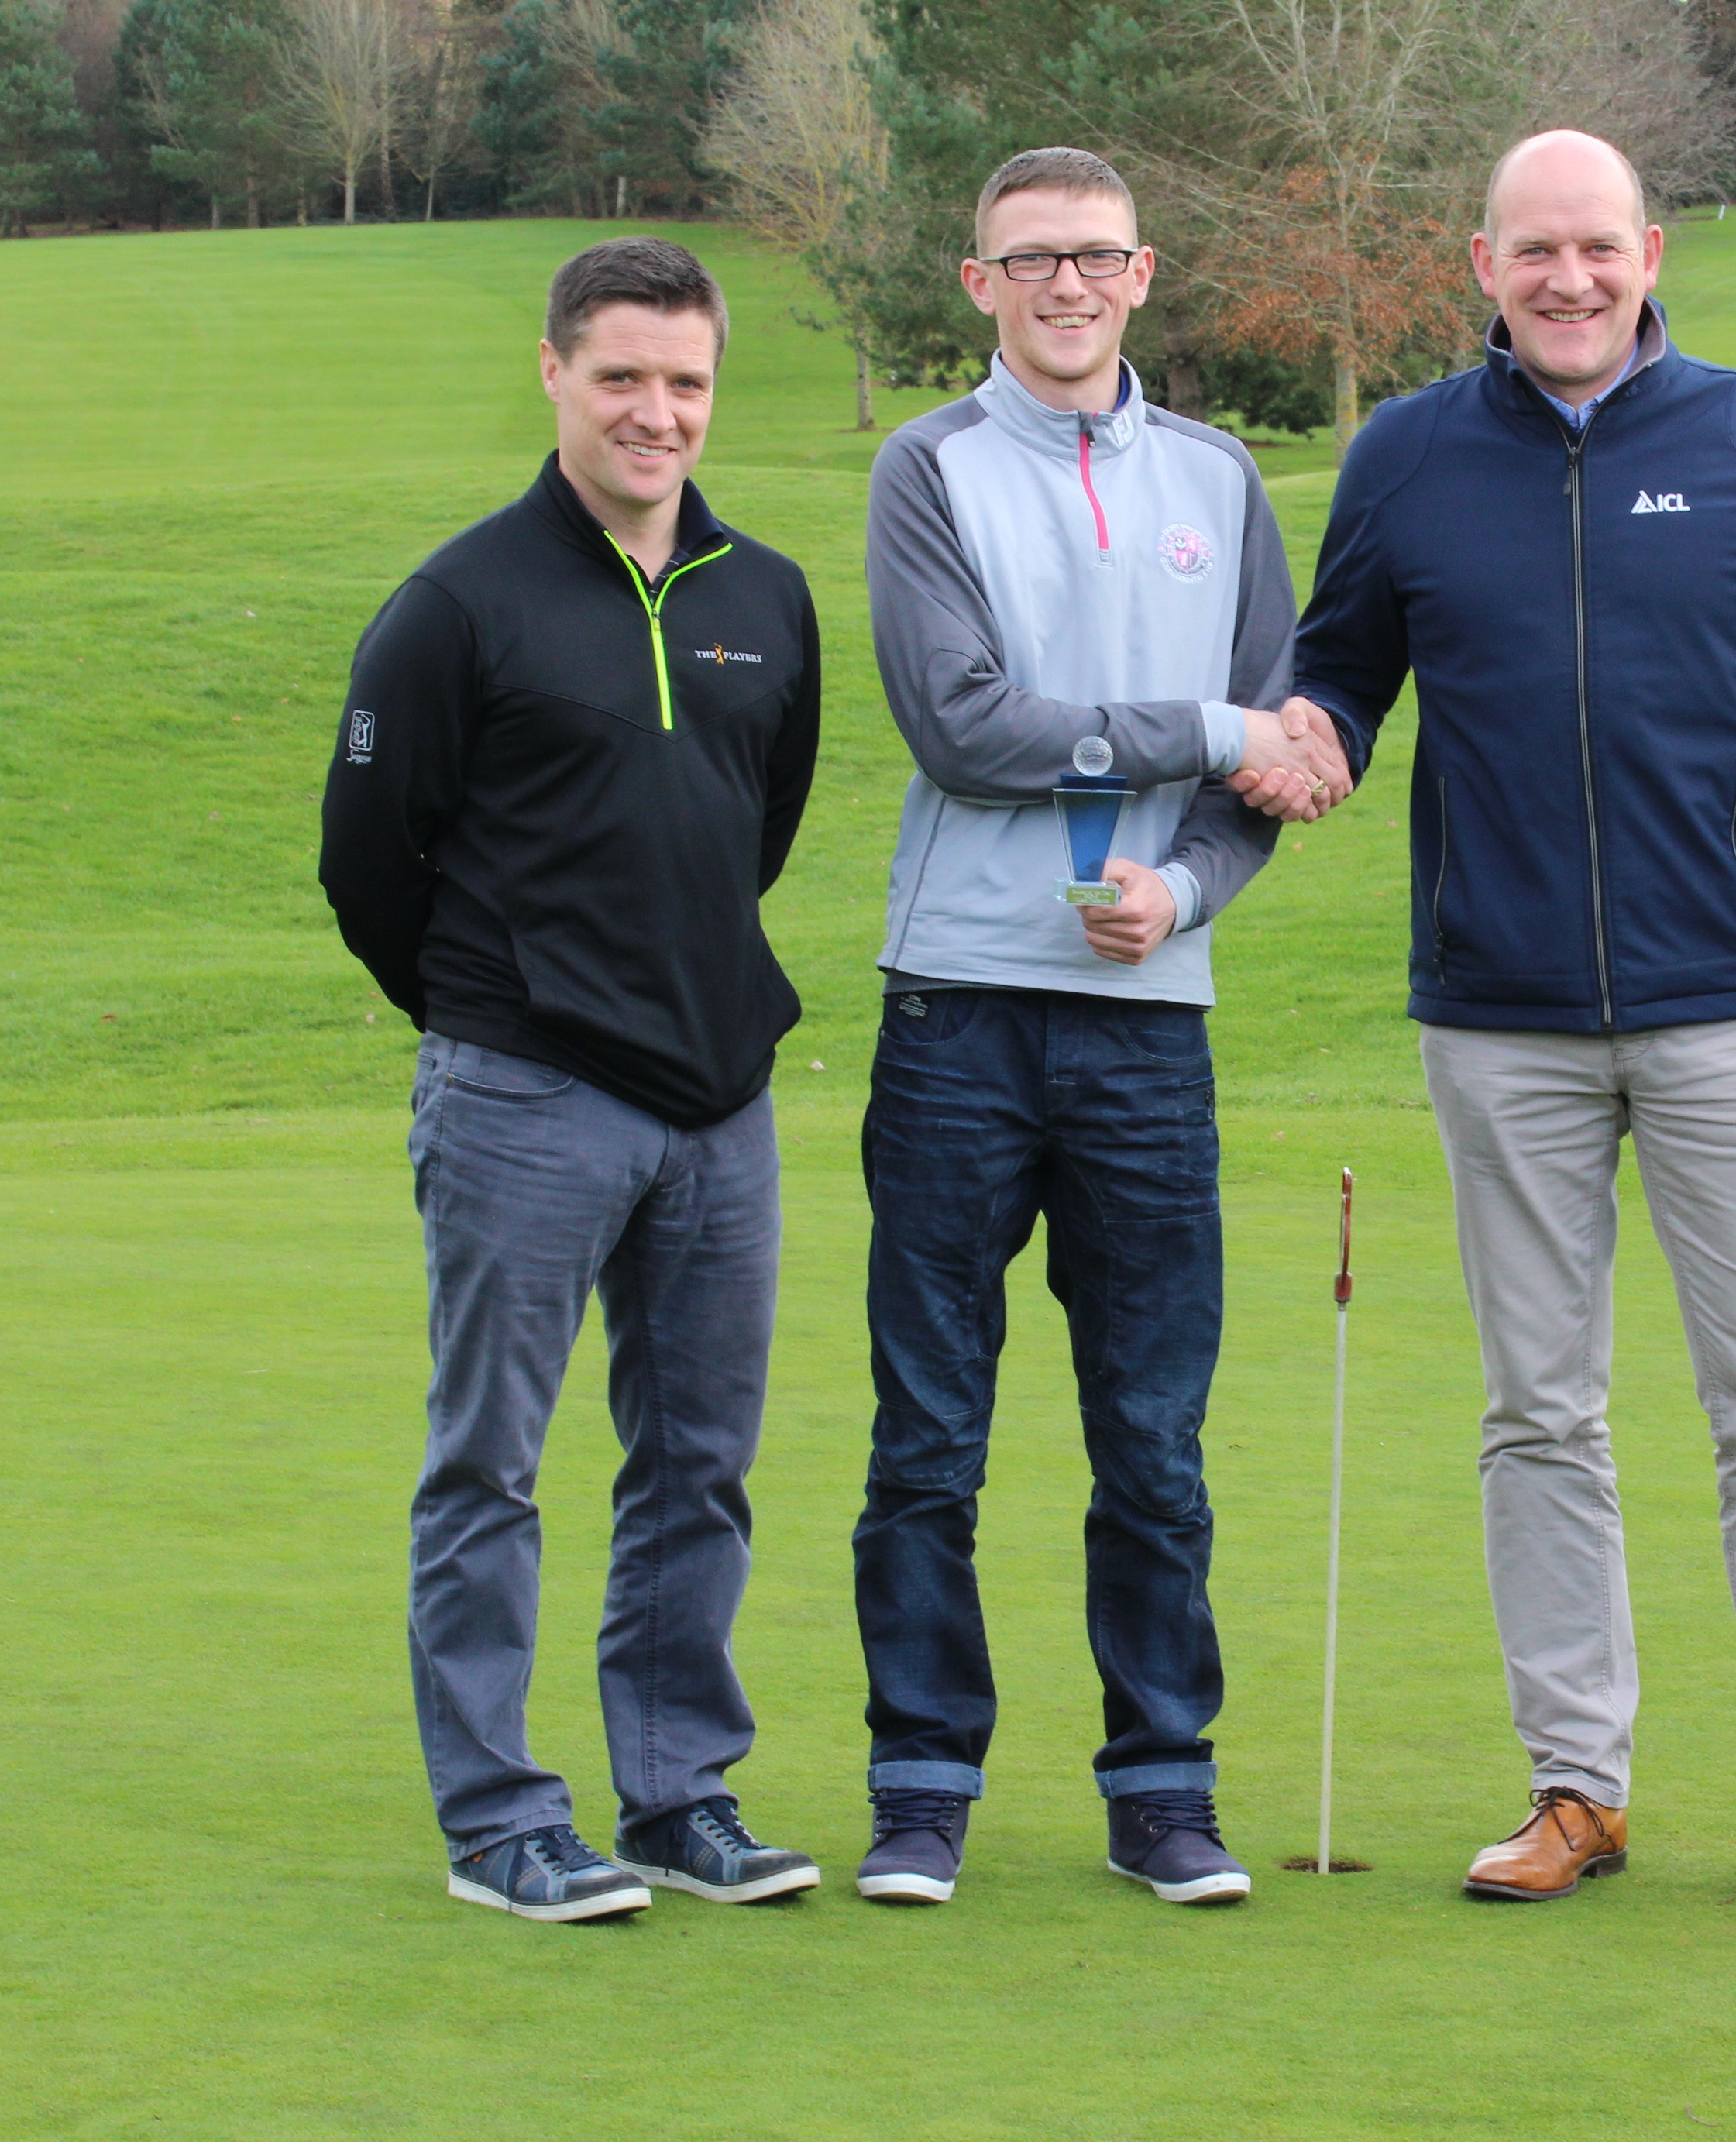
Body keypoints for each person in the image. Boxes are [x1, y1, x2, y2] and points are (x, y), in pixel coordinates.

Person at [1283, 131, 1736, 1928]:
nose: (1566, 279)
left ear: (1650, 248)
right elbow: (1341, 671)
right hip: (1500, 1017)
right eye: (1531, 251)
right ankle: (1576, 1784)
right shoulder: (1404, 456)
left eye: (1596, 247)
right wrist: (1309, 731)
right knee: (1536, 1413)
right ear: (1479, 262)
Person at [848, 146, 1345, 1910]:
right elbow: (970, 732)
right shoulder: (929, 469)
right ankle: (920, 1791)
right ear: (976, 284)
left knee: (1150, 1430)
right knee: (930, 1426)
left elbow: (1270, 770)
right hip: (962, 1009)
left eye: (1097, 258)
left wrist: (1192, 892)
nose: (1066, 286)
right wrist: (1213, 732)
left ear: (1145, 276)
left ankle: (1162, 1791)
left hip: (1145, 1021)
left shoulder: (1219, 475)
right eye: (1029, 260)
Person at [320, 237, 824, 1924]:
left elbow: (756, 833)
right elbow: (370, 867)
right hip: (524, 1094)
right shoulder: (458, 604)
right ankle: (499, 1817)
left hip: (720, 1104)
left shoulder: (765, 596)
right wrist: (498, 1012)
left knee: (697, 1465)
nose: (656, 412)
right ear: (552, 373)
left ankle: (678, 1794)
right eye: (621, 376)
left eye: (685, 381)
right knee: (492, 1465)